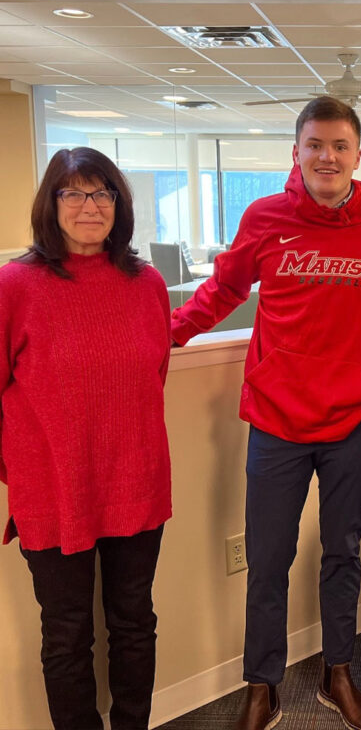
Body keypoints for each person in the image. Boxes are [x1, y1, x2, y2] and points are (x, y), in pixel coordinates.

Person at [171, 96, 361, 730]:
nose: (328, 156)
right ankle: (262, 684)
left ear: (357, 156)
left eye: (340, 146)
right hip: (276, 420)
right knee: (268, 559)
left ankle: (336, 674)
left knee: (343, 552)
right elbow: (222, 291)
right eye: (315, 144)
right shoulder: (266, 218)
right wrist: (163, 334)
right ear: (297, 152)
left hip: (355, 421)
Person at [0, 147, 172, 730]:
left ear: (119, 205)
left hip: (137, 484)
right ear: (51, 204)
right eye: (72, 193)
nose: (89, 206)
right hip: (52, 491)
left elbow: (151, 382)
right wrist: (24, 470)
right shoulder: (14, 286)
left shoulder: (146, 283)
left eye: (102, 193)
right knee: (67, 636)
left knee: (133, 625)